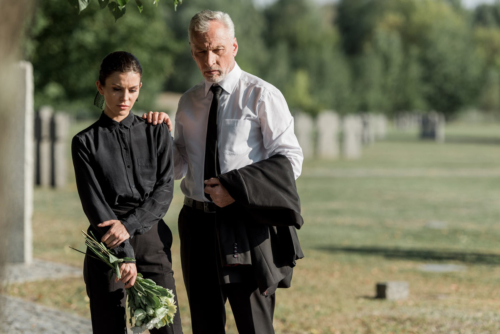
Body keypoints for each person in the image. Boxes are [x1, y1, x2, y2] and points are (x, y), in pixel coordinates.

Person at [144, 10, 304, 334]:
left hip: (245, 225)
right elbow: (180, 166)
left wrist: (237, 188)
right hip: (196, 225)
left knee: (254, 326)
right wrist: (159, 139)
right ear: (192, 51)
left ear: (233, 46)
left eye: (217, 49)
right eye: (201, 51)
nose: (209, 59)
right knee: (205, 325)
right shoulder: (188, 101)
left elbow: (290, 159)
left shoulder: (261, 95)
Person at [72, 51, 183, 334]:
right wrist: (124, 254)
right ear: (100, 86)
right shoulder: (84, 142)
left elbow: (164, 191)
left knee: (169, 329)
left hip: (153, 242)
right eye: (116, 89)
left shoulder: (156, 131)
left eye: (132, 90)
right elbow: (94, 203)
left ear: (140, 88)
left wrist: (131, 225)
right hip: (106, 245)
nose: (125, 98)